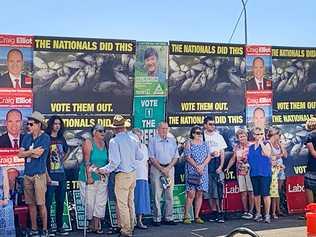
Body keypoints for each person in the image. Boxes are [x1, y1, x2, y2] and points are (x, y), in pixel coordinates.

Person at [96, 115, 143, 237]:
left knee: (122, 204)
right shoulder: (134, 138)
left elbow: (114, 162)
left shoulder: (114, 141)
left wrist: (103, 170)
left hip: (122, 174)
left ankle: (126, 230)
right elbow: (140, 156)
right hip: (133, 173)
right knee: (129, 202)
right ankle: (131, 226)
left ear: (115, 129)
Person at [17, 111, 50, 237]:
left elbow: (39, 154)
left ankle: (45, 229)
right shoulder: (26, 137)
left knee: (41, 203)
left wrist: (28, 152)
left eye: (31, 124)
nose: (28, 126)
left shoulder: (45, 138)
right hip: (27, 175)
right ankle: (34, 229)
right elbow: (19, 154)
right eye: (28, 124)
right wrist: (32, 151)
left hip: (39, 175)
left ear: (39, 125)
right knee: (30, 204)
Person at [78, 124, 108, 234]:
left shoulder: (105, 144)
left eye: (104, 131)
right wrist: (89, 176)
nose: (103, 133)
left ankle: (97, 223)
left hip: (102, 177)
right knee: (89, 202)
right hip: (89, 176)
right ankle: (91, 222)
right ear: (94, 132)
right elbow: (87, 161)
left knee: (100, 201)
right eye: (100, 131)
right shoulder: (88, 142)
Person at [148, 122, 179, 226]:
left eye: (166, 129)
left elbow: (176, 156)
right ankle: (157, 218)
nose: (164, 130)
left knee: (169, 194)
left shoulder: (172, 140)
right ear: (158, 129)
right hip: (157, 169)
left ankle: (169, 217)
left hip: (170, 169)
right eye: (162, 128)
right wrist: (161, 168)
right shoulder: (153, 140)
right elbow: (151, 157)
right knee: (156, 194)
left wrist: (168, 168)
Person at [45, 116, 69, 236]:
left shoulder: (61, 138)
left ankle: (60, 227)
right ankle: (48, 227)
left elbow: (67, 150)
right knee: (48, 202)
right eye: (55, 124)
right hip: (49, 175)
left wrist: (62, 160)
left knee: (60, 202)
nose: (57, 126)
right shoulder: (46, 138)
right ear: (51, 125)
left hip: (61, 175)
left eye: (59, 124)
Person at [183, 126, 211, 224]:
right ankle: (186, 215)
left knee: (200, 193)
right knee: (191, 194)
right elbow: (187, 157)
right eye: (197, 133)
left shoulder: (205, 144)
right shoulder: (188, 143)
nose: (199, 134)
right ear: (193, 133)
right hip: (192, 171)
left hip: (203, 171)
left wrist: (202, 166)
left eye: (200, 133)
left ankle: (196, 216)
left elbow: (208, 156)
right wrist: (196, 166)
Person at [225, 129, 254, 219]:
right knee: (243, 192)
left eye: (244, 136)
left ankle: (251, 211)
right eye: (240, 136)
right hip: (239, 171)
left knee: (251, 191)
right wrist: (228, 167)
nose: (242, 138)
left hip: (250, 171)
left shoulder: (251, 146)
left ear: (247, 136)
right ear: (238, 138)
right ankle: (245, 211)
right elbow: (233, 158)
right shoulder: (236, 147)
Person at [203, 116, 227, 223]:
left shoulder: (219, 136)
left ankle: (220, 212)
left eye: (213, 124)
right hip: (206, 165)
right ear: (205, 125)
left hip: (217, 164)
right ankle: (213, 212)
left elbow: (222, 153)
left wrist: (221, 166)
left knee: (219, 191)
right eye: (210, 124)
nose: (212, 126)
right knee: (209, 191)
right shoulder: (201, 136)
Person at [247, 127, 272, 223]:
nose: (260, 136)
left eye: (261, 133)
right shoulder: (251, 147)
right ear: (253, 135)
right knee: (256, 194)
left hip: (265, 173)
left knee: (265, 194)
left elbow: (267, 154)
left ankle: (267, 214)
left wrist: (261, 142)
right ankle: (258, 213)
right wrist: (246, 166)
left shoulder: (266, 144)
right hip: (254, 173)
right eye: (257, 134)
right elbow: (250, 161)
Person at [132, 128, 151, 229]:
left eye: (140, 135)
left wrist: (147, 175)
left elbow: (146, 162)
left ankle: (139, 220)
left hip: (143, 176)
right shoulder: (130, 146)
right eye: (136, 135)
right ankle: (132, 221)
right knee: (132, 199)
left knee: (141, 200)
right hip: (132, 176)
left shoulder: (144, 147)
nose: (139, 137)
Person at [267, 127, 287, 218]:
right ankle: (272, 211)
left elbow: (285, 155)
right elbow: (271, 156)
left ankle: (278, 209)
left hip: (281, 170)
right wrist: (280, 155)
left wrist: (281, 145)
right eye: (278, 135)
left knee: (278, 190)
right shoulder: (268, 144)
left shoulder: (279, 144)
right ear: (274, 135)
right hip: (273, 170)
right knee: (272, 191)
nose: (279, 136)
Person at [0, 167, 16, 236]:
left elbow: (6, 186)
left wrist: (5, 199)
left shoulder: (2, 170)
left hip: (1, 196)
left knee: (7, 208)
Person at [304, 117, 316, 204]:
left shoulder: (309, 137)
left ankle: (311, 213)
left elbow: (313, 153)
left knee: (309, 188)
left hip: (312, 167)